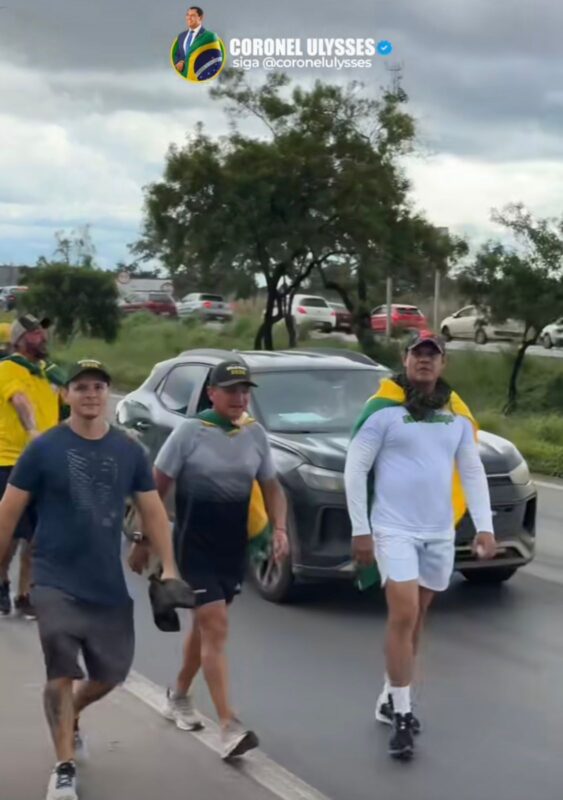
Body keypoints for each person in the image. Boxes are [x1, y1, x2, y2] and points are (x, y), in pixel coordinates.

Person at [0, 358, 180, 800]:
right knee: (61, 663)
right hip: (53, 577)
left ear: (106, 394)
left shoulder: (128, 451)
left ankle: (73, 712)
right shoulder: (43, 449)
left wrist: (169, 567)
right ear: (66, 395)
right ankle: (64, 767)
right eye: (81, 387)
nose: (91, 394)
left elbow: (153, 509)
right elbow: (8, 510)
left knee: (111, 672)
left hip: (105, 582)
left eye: (98, 387)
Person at [344, 332, 497, 761]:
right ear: (406, 359)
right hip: (393, 530)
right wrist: (361, 530)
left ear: (443, 363)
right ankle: (403, 715)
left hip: (438, 532)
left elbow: (471, 471)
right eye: (418, 354)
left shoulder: (456, 416)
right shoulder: (382, 411)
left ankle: (390, 695)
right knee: (404, 614)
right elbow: (355, 470)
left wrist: (484, 527)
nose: (424, 361)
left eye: (433, 355)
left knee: (417, 620)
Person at [129, 360, 289, 759]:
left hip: (232, 550)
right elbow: (155, 488)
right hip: (193, 547)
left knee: (205, 629)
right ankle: (228, 725)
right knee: (215, 626)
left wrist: (280, 530)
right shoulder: (190, 432)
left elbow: (272, 487)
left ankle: (178, 694)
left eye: (244, 391)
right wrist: (143, 539)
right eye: (231, 390)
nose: (239, 398)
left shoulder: (254, 434)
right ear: (212, 394)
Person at [0, 314, 59, 620]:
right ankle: (1, 581)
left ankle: (26, 594)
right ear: (19, 340)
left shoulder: (48, 373)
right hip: (11, 461)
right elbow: (19, 400)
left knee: (38, 536)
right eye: (35, 333)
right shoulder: (8, 368)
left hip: (45, 463)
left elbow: (69, 406)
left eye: (43, 332)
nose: (42, 337)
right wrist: (32, 429)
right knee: (8, 534)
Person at [174, 6, 207, 75]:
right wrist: (179, 62)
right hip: (185, 75)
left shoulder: (207, 36)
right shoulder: (181, 36)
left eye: (193, 15)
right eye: (187, 15)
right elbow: (178, 54)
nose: (189, 18)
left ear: (200, 17)